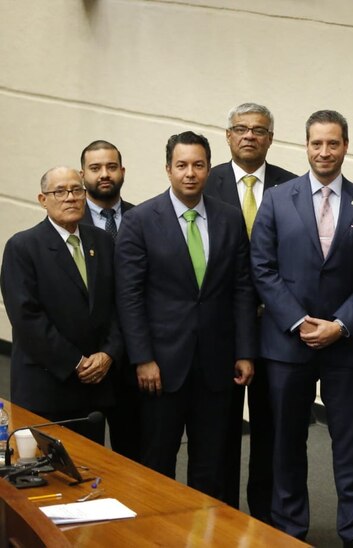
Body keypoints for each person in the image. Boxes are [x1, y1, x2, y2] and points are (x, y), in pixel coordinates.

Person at [250, 110, 353, 547]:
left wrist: (340, 325)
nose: (324, 151)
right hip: (288, 344)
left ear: (346, 146)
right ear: (305, 146)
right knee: (287, 442)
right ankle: (290, 526)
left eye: (333, 143)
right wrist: (298, 321)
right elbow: (262, 268)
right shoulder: (276, 199)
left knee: (350, 444)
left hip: (348, 345)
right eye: (316, 143)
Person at [115, 131, 256, 499]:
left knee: (211, 465)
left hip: (217, 363)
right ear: (168, 169)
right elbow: (129, 297)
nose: (190, 173)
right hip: (161, 367)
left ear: (209, 169)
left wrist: (245, 352)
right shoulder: (140, 220)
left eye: (198, 165)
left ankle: (207, 528)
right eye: (181, 165)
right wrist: (142, 358)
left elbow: (242, 289)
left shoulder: (229, 218)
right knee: (157, 462)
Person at [203, 102, 297, 519]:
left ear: (270, 139)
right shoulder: (206, 182)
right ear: (228, 136)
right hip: (222, 328)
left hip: (276, 326)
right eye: (240, 129)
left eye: (258, 130)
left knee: (270, 426)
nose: (249, 136)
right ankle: (222, 513)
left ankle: (265, 515)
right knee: (221, 427)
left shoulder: (292, 186)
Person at [1, 167, 120, 444]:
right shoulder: (23, 246)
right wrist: (76, 362)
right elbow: (26, 318)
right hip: (47, 386)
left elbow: (117, 304)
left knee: (91, 466)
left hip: (94, 389)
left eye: (77, 190)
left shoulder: (102, 241)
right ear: (43, 199)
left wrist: (108, 353)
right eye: (60, 191)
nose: (70, 197)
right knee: (43, 467)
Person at [78, 140, 139, 460]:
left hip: (133, 359)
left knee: (135, 457)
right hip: (86, 362)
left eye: (111, 167)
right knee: (84, 458)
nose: (104, 174)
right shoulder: (69, 222)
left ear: (123, 171)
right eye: (95, 168)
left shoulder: (143, 217)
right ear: (82, 175)